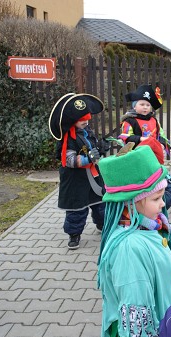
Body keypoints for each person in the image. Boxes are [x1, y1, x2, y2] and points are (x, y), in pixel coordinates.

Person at [97, 145, 171, 337]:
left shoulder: (147, 229)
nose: (163, 203)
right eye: (156, 199)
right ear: (127, 207)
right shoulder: (130, 247)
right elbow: (135, 304)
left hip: (153, 328)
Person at [49, 93, 107, 250]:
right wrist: (88, 157)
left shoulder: (87, 132)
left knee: (100, 202)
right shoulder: (67, 139)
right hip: (75, 180)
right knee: (77, 209)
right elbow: (69, 161)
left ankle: (102, 224)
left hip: (92, 176)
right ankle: (74, 234)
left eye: (87, 118)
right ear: (72, 121)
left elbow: (93, 150)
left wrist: (101, 148)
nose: (85, 121)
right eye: (82, 119)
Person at [118, 83, 170, 153]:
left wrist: (162, 144)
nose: (145, 107)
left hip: (153, 152)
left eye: (148, 105)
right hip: (136, 154)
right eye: (142, 104)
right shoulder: (129, 121)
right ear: (134, 106)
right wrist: (141, 139)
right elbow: (126, 137)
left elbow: (160, 134)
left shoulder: (154, 120)